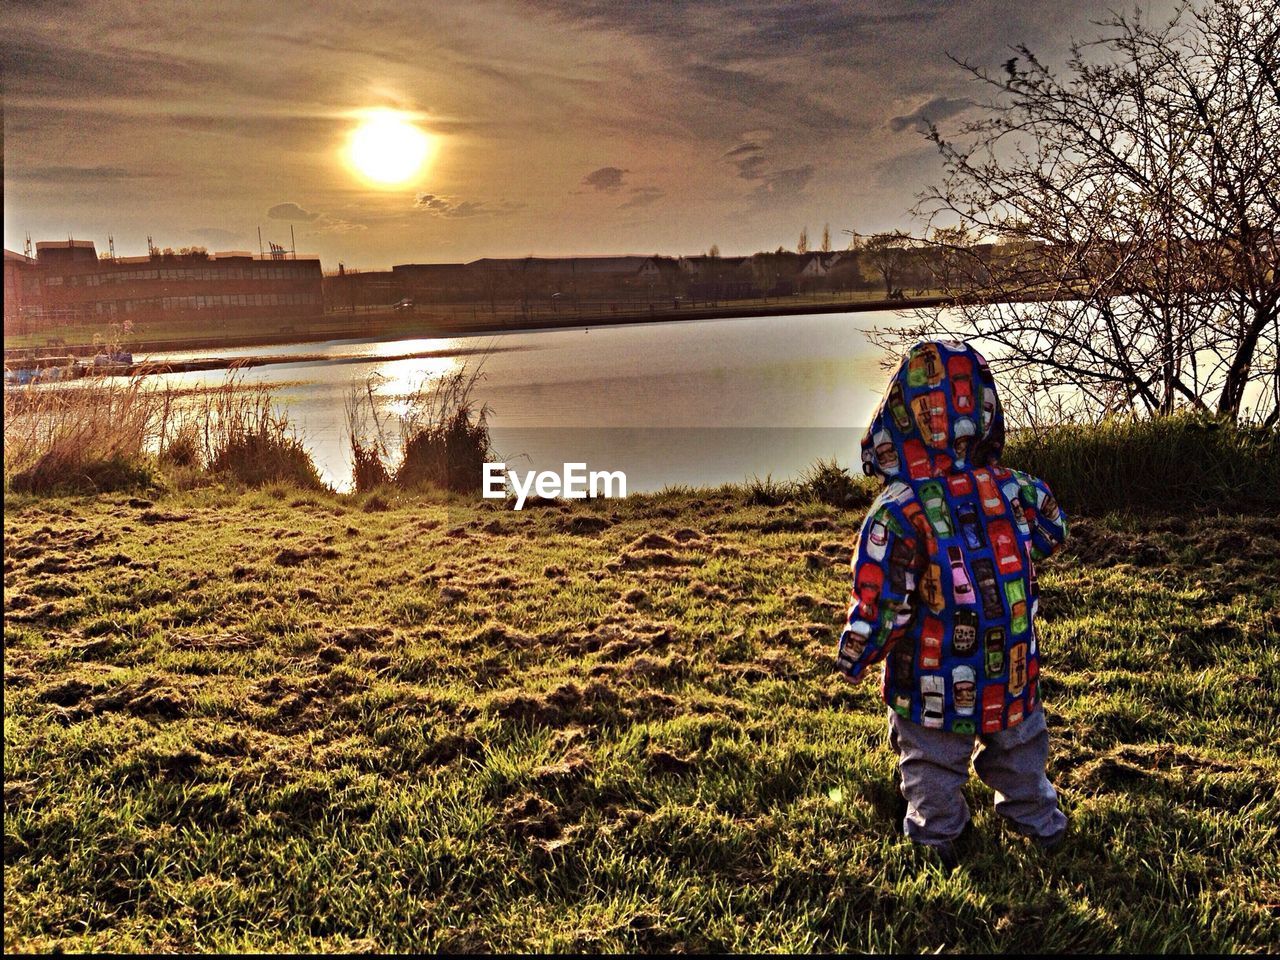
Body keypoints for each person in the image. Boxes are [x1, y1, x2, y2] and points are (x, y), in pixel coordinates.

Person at [836, 340, 1069, 870]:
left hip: (932, 679)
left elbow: (884, 601)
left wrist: (858, 650)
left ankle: (937, 838)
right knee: (1019, 746)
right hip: (1010, 667)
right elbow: (1054, 529)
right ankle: (1040, 823)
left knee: (932, 762)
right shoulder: (1015, 490)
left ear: (896, 418)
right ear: (984, 413)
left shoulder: (897, 513)